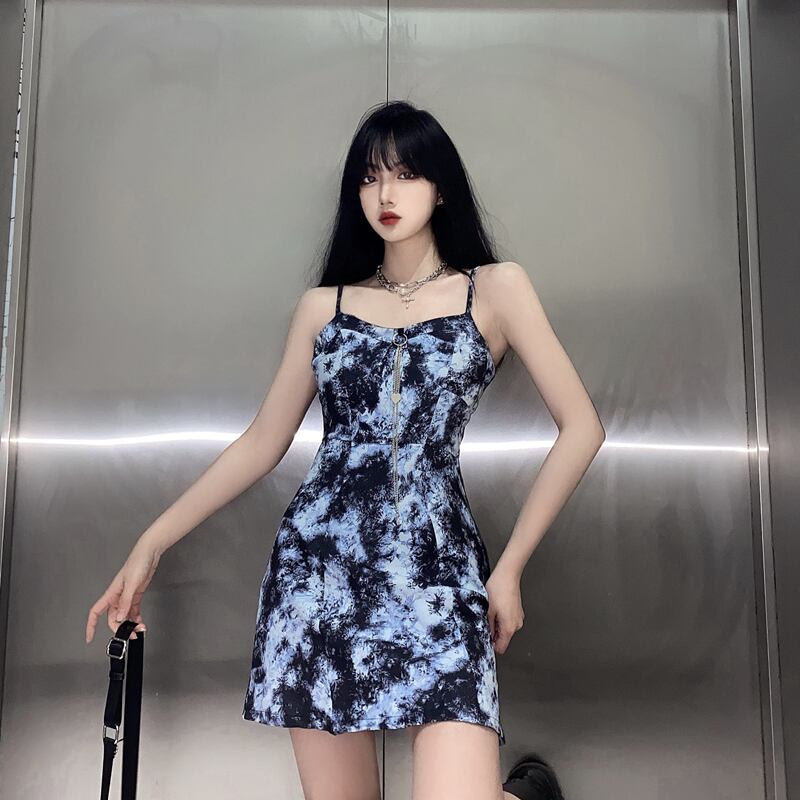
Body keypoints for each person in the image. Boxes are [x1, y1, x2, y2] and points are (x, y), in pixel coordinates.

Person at [85, 100, 604, 799]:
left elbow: (582, 427)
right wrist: (151, 541)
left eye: (407, 173)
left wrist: (508, 570)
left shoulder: (495, 289)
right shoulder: (323, 307)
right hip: (318, 577)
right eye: (369, 176)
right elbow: (262, 442)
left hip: (437, 572)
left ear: (441, 186)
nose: (386, 193)